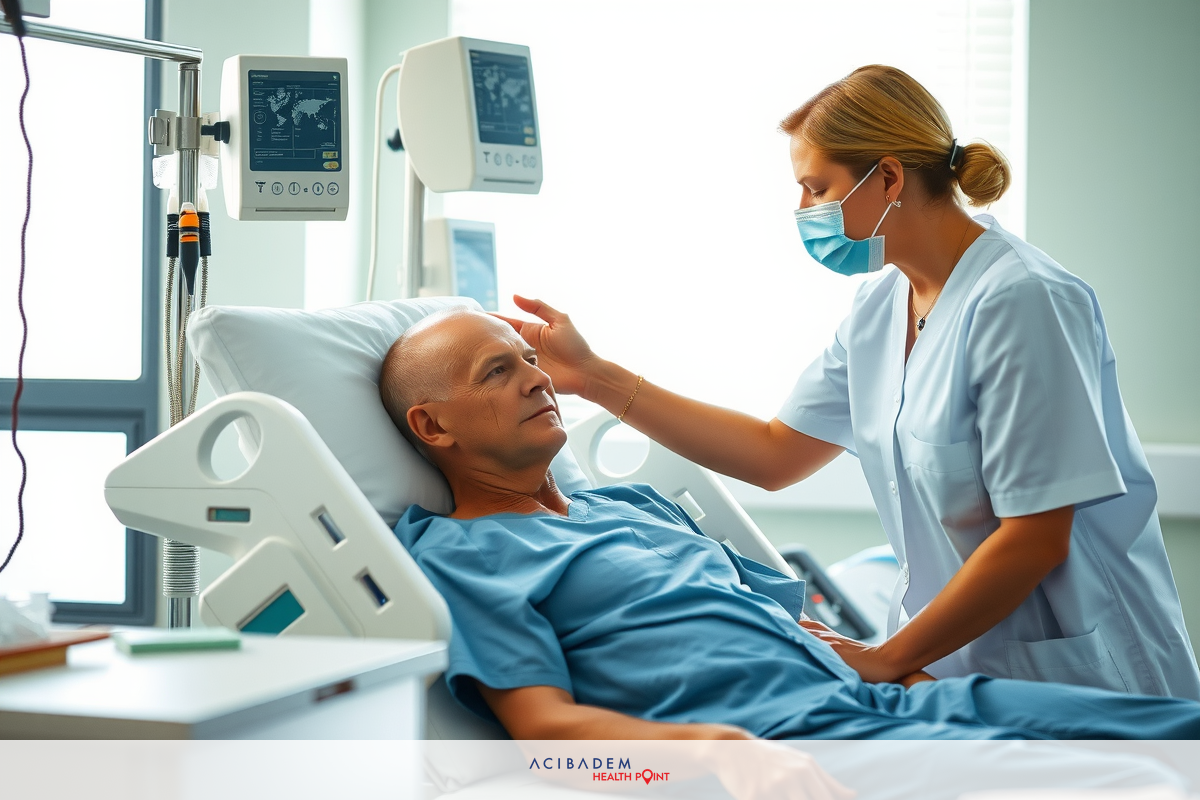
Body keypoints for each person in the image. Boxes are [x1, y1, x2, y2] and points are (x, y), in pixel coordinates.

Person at [496, 64, 1200, 700]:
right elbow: (775, 454)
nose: (803, 210)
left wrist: (888, 657)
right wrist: (591, 377)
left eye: (816, 187)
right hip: (957, 667)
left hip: (1086, 671)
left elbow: (1035, 537)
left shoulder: (1023, 300)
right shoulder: (880, 306)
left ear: (888, 179)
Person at [378, 307, 1200, 740]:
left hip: (900, 711)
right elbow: (547, 734)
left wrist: (915, 688)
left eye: (527, 360)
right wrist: (715, 755)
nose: (535, 378)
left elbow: (800, 626)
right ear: (433, 429)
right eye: (498, 371)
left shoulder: (630, 504)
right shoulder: (463, 554)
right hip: (803, 741)